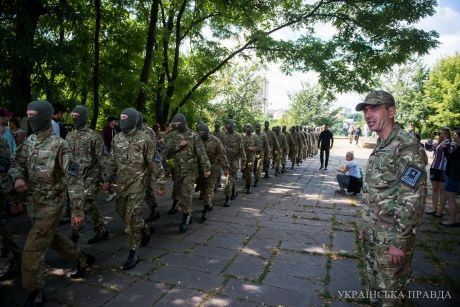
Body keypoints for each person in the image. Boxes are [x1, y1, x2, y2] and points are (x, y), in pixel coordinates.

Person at [9, 101, 94, 305]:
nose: (30, 119)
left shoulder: (59, 145)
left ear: (45, 116)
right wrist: (18, 178)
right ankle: (82, 257)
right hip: (33, 204)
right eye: (27, 114)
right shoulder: (29, 141)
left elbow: (74, 179)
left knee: (33, 248)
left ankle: (35, 289)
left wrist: (77, 210)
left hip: (52, 204)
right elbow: (16, 164)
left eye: (33, 114)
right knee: (52, 238)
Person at [356, 90, 427, 306]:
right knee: (374, 289)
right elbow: (374, 191)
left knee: (391, 296)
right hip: (373, 234)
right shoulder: (381, 144)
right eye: (366, 110)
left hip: (390, 241)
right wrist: (364, 223)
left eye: (375, 108)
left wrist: (400, 242)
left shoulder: (406, 146)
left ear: (391, 111)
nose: (368, 114)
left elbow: (413, 198)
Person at [103, 108, 166, 270]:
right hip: (122, 183)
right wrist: (107, 179)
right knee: (121, 211)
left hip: (139, 184)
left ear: (132, 120)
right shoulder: (117, 138)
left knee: (131, 218)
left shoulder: (145, 139)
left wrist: (161, 183)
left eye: (125, 118)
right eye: (120, 118)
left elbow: (155, 162)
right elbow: (112, 160)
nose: (121, 121)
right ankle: (144, 229)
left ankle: (133, 252)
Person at [66, 105, 109, 244]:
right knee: (89, 204)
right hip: (75, 178)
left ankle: (73, 236)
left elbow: (102, 159)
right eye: (72, 116)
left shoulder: (94, 136)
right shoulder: (69, 135)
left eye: (76, 116)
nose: (74, 118)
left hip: (91, 176)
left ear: (83, 117)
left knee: (83, 205)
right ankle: (101, 230)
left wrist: (106, 179)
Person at [163, 113, 210, 231]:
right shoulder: (172, 135)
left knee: (187, 193)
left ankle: (186, 215)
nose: (177, 126)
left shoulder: (194, 136)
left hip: (190, 171)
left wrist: (206, 168)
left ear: (184, 123)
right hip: (177, 170)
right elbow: (166, 151)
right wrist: (179, 146)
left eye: (179, 124)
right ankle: (179, 207)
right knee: (177, 191)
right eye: (175, 125)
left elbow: (201, 153)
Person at [196, 122, 229, 221]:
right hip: (200, 167)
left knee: (208, 186)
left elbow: (222, 154)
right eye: (200, 134)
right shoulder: (196, 140)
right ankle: (207, 202)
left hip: (213, 167)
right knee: (202, 185)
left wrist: (226, 168)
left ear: (208, 132)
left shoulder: (216, 141)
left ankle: (207, 206)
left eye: (203, 134)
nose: (202, 136)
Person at [424, 128, 451, 216]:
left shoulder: (449, 143)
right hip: (434, 167)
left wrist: (445, 139)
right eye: (440, 133)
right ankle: (434, 208)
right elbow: (428, 148)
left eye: (442, 133)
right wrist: (431, 138)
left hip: (444, 169)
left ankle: (440, 211)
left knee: (442, 190)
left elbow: (449, 150)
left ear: (447, 133)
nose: (440, 134)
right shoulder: (438, 143)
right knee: (435, 188)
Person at [220, 119, 246, 207]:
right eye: (226, 125)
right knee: (232, 178)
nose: (228, 127)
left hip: (234, 161)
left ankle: (228, 197)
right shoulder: (223, 136)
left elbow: (242, 150)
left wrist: (243, 163)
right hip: (226, 161)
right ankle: (234, 192)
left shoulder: (238, 136)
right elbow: (221, 150)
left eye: (229, 125)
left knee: (229, 178)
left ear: (232, 126)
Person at [440, 128, 460, 226]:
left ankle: (452, 220)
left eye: (455, 135)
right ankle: (455, 218)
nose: (454, 137)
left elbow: (450, 158)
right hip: (454, 174)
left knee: (451, 198)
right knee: (453, 198)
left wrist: (444, 148)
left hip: (453, 174)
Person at [101, 116, 120, 201]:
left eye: (114, 121)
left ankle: (114, 189)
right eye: (112, 121)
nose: (114, 123)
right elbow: (103, 142)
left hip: (118, 151)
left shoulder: (118, 129)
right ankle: (110, 190)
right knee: (108, 171)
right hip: (108, 151)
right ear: (109, 122)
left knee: (115, 171)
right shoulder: (105, 130)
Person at [242, 124, 256, 194]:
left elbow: (259, 146)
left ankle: (248, 186)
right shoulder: (242, 136)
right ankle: (246, 182)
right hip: (243, 158)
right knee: (244, 171)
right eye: (247, 128)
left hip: (250, 158)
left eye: (249, 128)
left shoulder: (254, 137)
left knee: (249, 171)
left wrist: (252, 148)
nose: (248, 129)